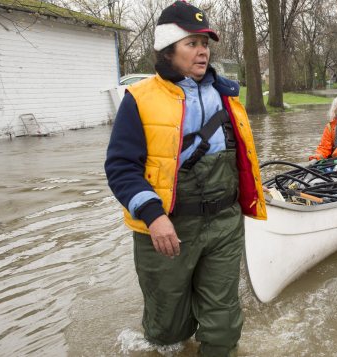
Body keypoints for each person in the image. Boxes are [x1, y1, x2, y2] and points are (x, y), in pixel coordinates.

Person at [104, 1, 266, 356]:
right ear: (167, 49)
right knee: (166, 334)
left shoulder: (228, 95)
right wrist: (154, 217)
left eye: (205, 43)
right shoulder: (139, 99)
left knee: (223, 324)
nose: (202, 51)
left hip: (224, 222)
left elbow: (242, 158)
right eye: (192, 43)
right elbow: (120, 167)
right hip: (168, 229)